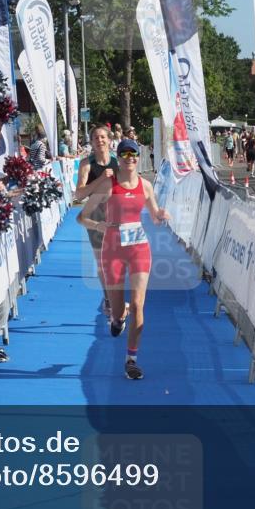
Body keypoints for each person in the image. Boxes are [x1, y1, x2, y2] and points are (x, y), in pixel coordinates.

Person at [77, 139, 169, 380]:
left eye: (134, 153)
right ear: (119, 157)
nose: (130, 157)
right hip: (113, 250)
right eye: (124, 153)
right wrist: (99, 225)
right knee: (117, 311)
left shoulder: (146, 186)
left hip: (138, 247)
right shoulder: (109, 184)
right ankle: (119, 317)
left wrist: (161, 215)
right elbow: (81, 217)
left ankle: (131, 359)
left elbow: (155, 215)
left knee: (139, 304)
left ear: (138, 157)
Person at [74, 125, 119, 314]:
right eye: (96, 138)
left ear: (109, 140)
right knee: (102, 261)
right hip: (95, 216)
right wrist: (100, 179)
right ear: (91, 142)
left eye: (102, 137)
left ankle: (116, 294)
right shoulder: (87, 164)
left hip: (116, 213)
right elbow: (78, 194)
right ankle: (109, 297)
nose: (100, 141)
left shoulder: (118, 162)